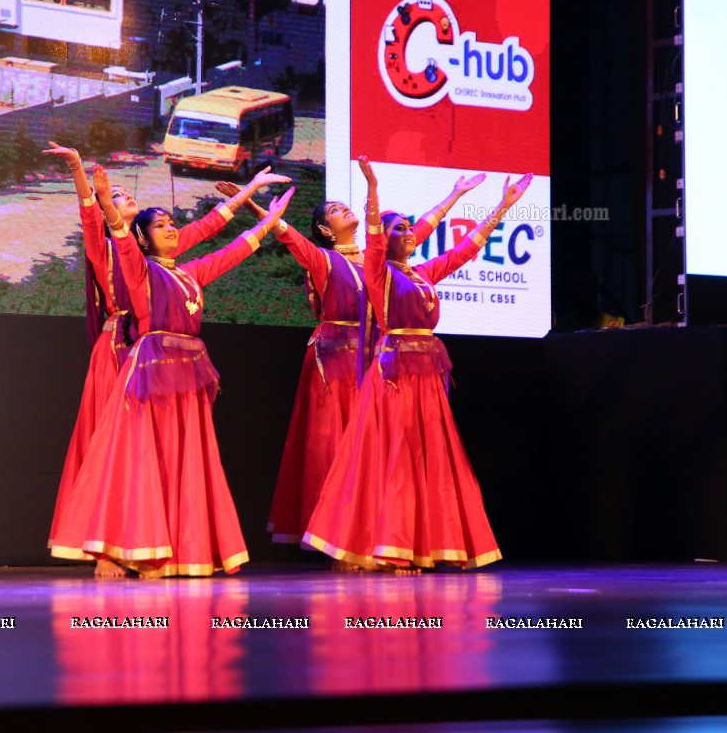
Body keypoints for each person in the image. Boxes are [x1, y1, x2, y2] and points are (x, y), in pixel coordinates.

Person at [213, 171, 485, 555]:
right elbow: (284, 232)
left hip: (378, 357)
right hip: (337, 359)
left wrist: (455, 194)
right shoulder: (322, 260)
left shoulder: (380, 257)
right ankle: (339, 536)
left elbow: (421, 227)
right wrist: (252, 203)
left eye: (346, 205)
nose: (345, 209)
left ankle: (382, 530)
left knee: (380, 447)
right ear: (325, 229)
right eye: (336, 210)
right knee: (338, 444)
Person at [42, 144, 288, 554]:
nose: (127, 198)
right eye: (119, 197)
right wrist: (86, 178)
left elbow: (214, 235)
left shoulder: (173, 268)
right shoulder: (113, 250)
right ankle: (109, 536)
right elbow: (99, 220)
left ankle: (170, 535)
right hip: (123, 348)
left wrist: (251, 197)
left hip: (171, 360)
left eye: (126, 195)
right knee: (119, 445)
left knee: (172, 453)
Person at [302, 156, 533, 574]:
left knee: (434, 460)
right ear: (383, 241)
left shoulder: (423, 273)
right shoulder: (378, 273)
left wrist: (503, 207)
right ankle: (391, 547)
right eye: (399, 229)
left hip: (427, 379)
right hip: (394, 378)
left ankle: (432, 542)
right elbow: (373, 237)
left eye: (410, 227)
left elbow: (467, 249)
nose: (409, 233)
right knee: (398, 462)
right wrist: (372, 189)